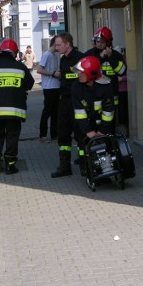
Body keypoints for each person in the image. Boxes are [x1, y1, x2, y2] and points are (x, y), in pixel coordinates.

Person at [0, 38, 34, 175]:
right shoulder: (20, 67)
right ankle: (10, 166)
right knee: (12, 136)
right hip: (15, 110)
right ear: (15, 53)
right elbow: (29, 84)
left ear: (0, 52)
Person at [50, 32, 85, 178]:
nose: (56, 48)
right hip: (64, 101)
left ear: (67, 44)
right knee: (63, 134)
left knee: (80, 134)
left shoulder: (79, 58)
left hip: (77, 101)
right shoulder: (63, 60)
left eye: (58, 45)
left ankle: (84, 164)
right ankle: (64, 166)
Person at [71, 56, 115, 166]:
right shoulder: (76, 87)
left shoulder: (106, 87)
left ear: (91, 73)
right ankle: (85, 166)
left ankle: (105, 167)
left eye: (82, 73)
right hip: (84, 125)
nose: (78, 75)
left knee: (105, 147)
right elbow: (79, 113)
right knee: (83, 147)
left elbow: (108, 112)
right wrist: (88, 131)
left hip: (103, 126)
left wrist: (102, 131)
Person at [84, 27, 126, 133]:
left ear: (108, 42)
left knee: (110, 126)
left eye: (102, 42)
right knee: (93, 124)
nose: (99, 44)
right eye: (97, 41)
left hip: (111, 97)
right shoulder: (90, 54)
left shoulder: (116, 55)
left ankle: (110, 147)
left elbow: (121, 71)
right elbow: (87, 71)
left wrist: (110, 57)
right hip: (93, 96)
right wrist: (101, 58)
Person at [36, 37, 60, 142]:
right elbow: (39, 70)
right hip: (49, 87)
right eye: (59, 45)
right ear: (55, 44)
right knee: (47, 111)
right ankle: (43, 135)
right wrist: (53, 74)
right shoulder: (47, 55)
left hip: (57, 86)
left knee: (56, 112)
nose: (60, 47)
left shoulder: (57, 55)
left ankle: (54, 134)